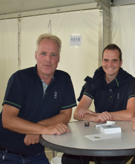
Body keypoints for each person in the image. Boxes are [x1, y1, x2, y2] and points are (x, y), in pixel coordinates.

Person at [0, 33, 77, 164]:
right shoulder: (19, 78)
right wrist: (45, 130)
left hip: (37, 153)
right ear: (35, 55)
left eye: (53, 55)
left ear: (58, 58)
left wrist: (37, 129)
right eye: (43, 53)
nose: (48, 59)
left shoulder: (64, 79)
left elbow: (65, 115)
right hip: (7, 154)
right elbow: (7, 120)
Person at [62, 44, 135, 164]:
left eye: (114, 61)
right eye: (106, 60)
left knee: (106, 161)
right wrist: (96, 117)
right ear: (102, 61)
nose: (109, 65)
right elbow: (78, 113)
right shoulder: (95, 79)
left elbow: (130, 114)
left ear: (121, 62)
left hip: (124, 138)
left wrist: (99, 115)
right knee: (69, 159)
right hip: (97, 136)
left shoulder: (131, 82)